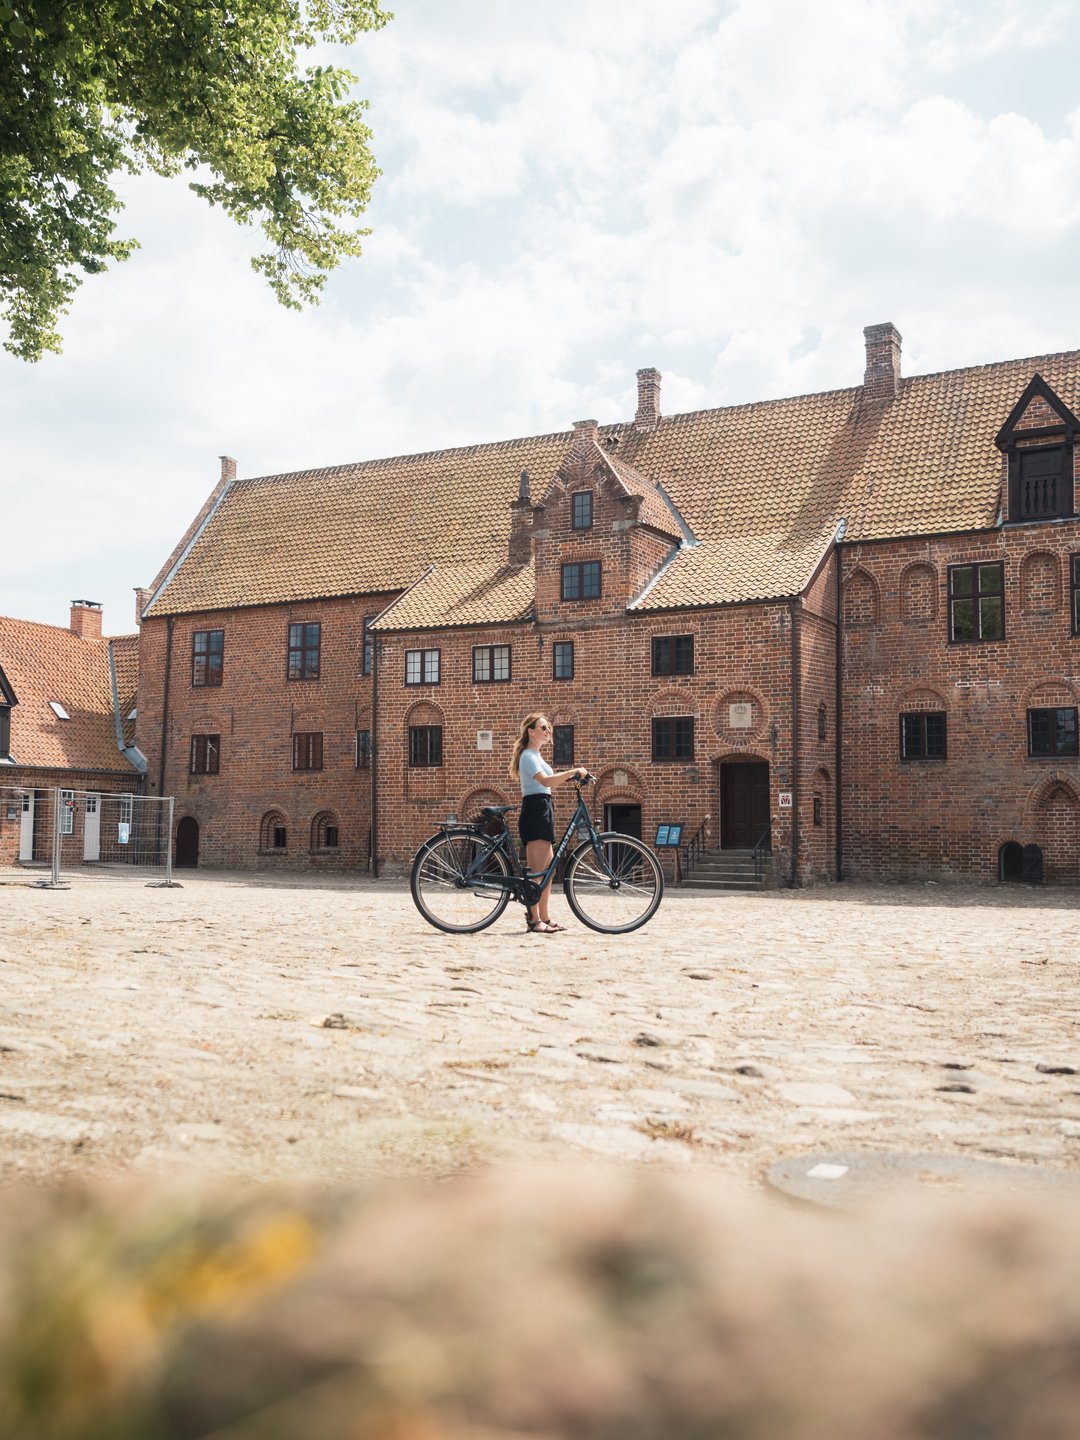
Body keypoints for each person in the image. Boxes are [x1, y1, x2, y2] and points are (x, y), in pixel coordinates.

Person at [508, 714, 586, 934]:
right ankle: (533, 920)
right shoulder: (528, 756)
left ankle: (544, 916)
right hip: (535, 809)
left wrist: (573, 777)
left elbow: (550, 780)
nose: (547, 730)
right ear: (531, 731)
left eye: (548, 727)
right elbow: (545, 781)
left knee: (549, 871)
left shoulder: (536, 756)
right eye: (543, 727)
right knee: (537, 871)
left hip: (543, 807)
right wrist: (572, 771)